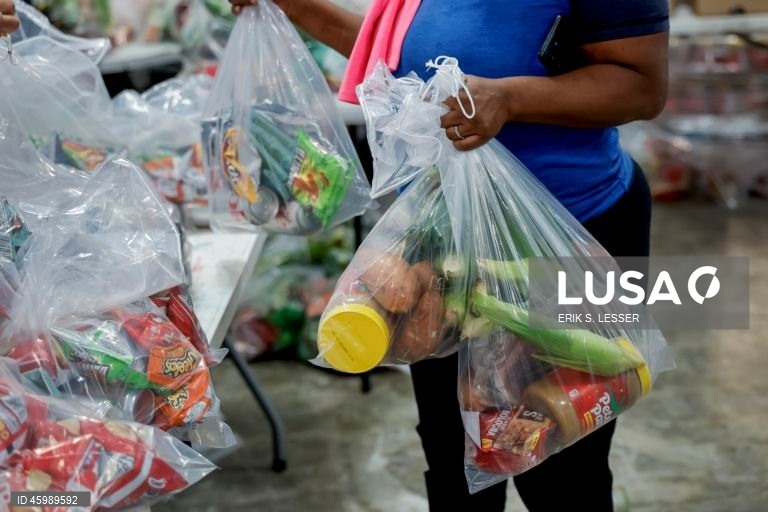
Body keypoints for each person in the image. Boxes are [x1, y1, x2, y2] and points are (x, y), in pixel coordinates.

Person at [230, 1, 669, 510]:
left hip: (568, 231)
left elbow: (642, 84)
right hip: (439, 244)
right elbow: (392, 54)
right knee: (453, 453)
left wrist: (509, 98)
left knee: (561, 462)